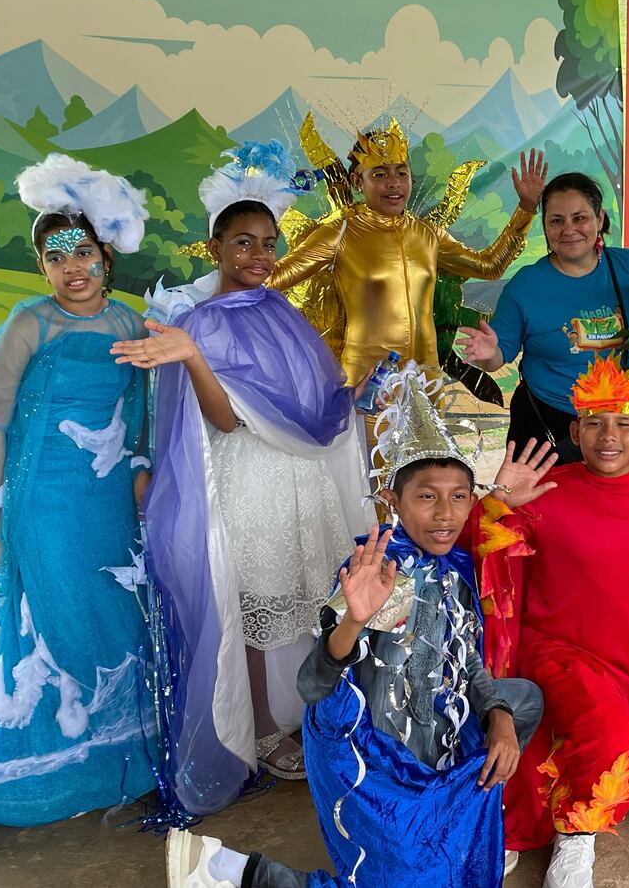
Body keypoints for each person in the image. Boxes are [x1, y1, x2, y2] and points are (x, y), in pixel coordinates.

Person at [164, 362, 551, 888]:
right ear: (392, 501)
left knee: (523, 699)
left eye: (458, 496)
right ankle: (235, 873)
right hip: (372, 760)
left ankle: (446, 819)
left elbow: (468, 667)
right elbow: (312, 686)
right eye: (425, 496)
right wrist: (353, 621)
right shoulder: (374, 572)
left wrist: (501, 716)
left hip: (439, 747)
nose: (445, 514)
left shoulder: (457, 569)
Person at [114, 143, 372, 814]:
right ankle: (257, 726)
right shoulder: (198, 324)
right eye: (243, 242)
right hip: (248, 483)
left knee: (309, 595)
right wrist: (195, 357)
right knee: (253, 603)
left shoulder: (280, 311)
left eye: (268, 243)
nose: (258, 255)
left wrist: (351, 396)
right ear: (216, 246)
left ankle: (310, 712)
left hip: (298, 482)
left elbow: (310, 403)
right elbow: (225, 420)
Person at [0, 155, 156, 850]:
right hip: (40, 503)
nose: (72, 268)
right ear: (42, 266)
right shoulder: (27, 325)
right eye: (55, 256)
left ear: (106, 256)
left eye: (83, 253)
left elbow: (137, 411)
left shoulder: (132, 325)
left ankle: (113, 762)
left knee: (111, 620)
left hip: (105, 503)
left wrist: (137, 469)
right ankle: (35, 768)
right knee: (51, 620)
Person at [473, 354, 629, 888]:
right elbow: (478, 552)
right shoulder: (546, 491)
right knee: (603, 730)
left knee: (608, 758)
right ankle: (576, 841)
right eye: (594, 424)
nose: (609, 437)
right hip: (556, 647)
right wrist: (497, 504)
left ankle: (544, 826)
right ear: (574, 430)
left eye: (624, 424)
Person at [266, 118, 546, 384]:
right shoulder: (340, 232)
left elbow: (490, 266)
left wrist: (526, 209)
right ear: (356, 182)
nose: (393, 183)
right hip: (367, 386)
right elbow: (273, 280)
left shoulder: (426, 233)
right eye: (380, 174)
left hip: (426, 381)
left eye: (402, 173)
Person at [455, 171, 629, 464]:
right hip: (552, 427)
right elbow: (496, 358)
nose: (569, 229)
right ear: (545, 227)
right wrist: (489, 354)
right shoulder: (526, 285)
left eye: (579, 218)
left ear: (600, 218)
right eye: (556, 221)